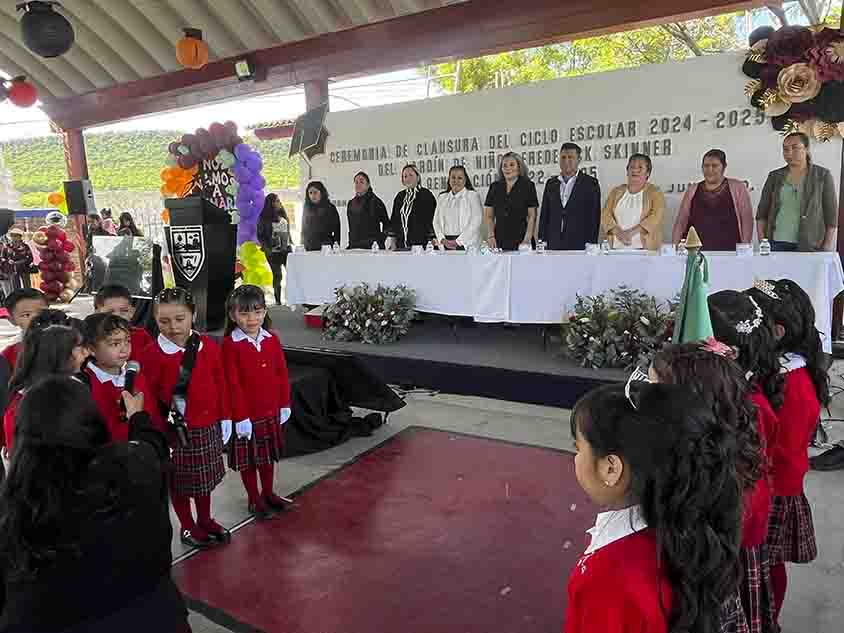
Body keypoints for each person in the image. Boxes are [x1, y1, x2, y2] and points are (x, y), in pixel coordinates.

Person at [0, 376, 192, 632]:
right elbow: (153, 446)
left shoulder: (17, 510)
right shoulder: (134, 468)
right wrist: (138, 417)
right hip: (157, 616)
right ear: (91, 422)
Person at [566, 382, 742, 633]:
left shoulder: (605, 578)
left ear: (611, 468)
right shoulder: (686, 528)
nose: (575, 458)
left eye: (578, 448)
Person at [651, 342, 770, 633]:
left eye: (654, 391)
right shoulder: (717, 451)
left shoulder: (712, 480)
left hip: (701, 595)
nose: (644, 399)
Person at [746, 279, 827, 622]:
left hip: (773, 488)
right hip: (771, 484)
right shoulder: (783, 369)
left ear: (776, 332)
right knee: (766, 563)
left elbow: (774, 447)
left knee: (766, 565)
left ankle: (767, 620)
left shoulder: (790, 381)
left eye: (752, 320)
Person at [709, 289, 783, 633]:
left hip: (738, 519)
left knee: (736, 601)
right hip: (740, 511)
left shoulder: (746, 405)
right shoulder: (742, 392)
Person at [141, 287, 232, 549]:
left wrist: (225, 416)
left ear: (194, 315)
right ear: (155, 319)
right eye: (164, 321)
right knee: (180, 483)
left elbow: (220, 382)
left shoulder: (208, 346)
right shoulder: (151, 355)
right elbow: (149, 398)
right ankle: (188, 525)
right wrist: (159, 433)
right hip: (175, 431)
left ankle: (205, 519)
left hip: (208, 427)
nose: (173, 327)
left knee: (204, 480)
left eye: (180, 318)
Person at [222, 285, 292, 520]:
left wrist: (284, 403)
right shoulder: (230, 345)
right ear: (233, 315)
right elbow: (232, 385)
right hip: (247, 418)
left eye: (258, 311)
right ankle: (254, 498)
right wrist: (240, 417)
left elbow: (281, 373)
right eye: (244, 313)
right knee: (250, 461)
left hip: (270, 412)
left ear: (265, 312)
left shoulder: (272, 339)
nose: (252, 318)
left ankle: (269, 493)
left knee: (267, 457)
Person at [3, 324, 91, 455]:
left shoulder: (74, 385)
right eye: (79, 347)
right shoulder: (26, 401)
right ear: (60, 353)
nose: (86, 353)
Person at [82, 313, 158, 442]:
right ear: (91, 349)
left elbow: (153, 416)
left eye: (127, 341)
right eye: (115, 344)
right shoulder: (85, 384)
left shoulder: (136, 376)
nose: (124, 349)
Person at [756, 132, 837, 252]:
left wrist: (826, 247)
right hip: (776, 243)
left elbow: (831, 216)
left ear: (806, 149)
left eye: (795, 148)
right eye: (785, 149)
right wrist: (762, 242)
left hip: (811, 245)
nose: (789, 153)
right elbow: (762, 213)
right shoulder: (775, 176)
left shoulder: (822, 175)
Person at [671, 149, 754, 249]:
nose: (710, 170)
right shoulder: (692, 190)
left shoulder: (737, 188)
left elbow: (746, 221)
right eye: (706, 166)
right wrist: (674, 248)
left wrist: (745, 248)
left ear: (724, 167)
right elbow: (681, 222)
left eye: (714, 166)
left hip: (730, 251)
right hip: (696, 252)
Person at [537, 143, 601, 251]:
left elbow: (594, 217)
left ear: (578, 160)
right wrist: (542, 242)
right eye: (563, 157)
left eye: (570, 157)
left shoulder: (590, 183)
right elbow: (544, 216)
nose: (566, 161)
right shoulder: (551, 183)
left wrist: (591, 244)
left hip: (580, 246)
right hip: (553, 245)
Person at [601, 154, 665, 251]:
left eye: (640, 167)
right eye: (632, 167)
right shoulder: (616, 191)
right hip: (615, 249)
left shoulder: (655, 192)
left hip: (644, 250)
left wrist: (630, 233)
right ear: (627, 171)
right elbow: (605, 214)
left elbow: (655, 217)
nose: (635, 170)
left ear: (648, 173)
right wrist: (619, 233)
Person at [484, 152, 538, 251]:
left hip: (522, 239)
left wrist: (527, 240)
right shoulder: (494, 187)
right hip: (498, 241)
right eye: (504, 165)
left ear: (519, 167)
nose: (508, 168)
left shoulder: (528, 186)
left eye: (512, 165)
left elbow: (532, 216)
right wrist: (490, 236)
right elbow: (489, 216)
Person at [94, 284, 154, 362]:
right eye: (110, 312)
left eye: (123, 311)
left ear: (132, 312)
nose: (117, 316)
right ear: (97, 313)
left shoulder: (142, 336)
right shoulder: (92, 337)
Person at [386, 164, 437, 250]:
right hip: (401, 245)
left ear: (418, 177)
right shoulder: (400, 196)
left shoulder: (426, 195)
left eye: (411, 175)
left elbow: (432, 219)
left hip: (421, 245)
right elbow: (394, 220)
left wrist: (432, 239)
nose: (408, 178)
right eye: (405, 176)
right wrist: (392, 241)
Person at [433, 165, 483, 250]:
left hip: (466, 242)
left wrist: (458, 242)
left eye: (460, 178)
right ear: (449, 180)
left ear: (465, 180)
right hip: (445, 243)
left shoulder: (473, 195)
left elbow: (476, 221)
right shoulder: (442, 197)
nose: (456, 181)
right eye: (453, 177)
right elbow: (436, 221)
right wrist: (442, 239)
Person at [1, 288, 47, 372]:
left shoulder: (66, 342)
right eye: (27, 315)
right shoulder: (9, 355)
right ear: (12, 320)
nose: (36, 318)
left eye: (42, 312)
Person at [257, 193, 291, 305]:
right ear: (270, 203)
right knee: (277, 276)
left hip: (286, 250)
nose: (279, 203)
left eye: (279, 200)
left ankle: (293, 298)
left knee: (292, 274)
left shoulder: (283, 214)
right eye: (276, 201)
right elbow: (260, 236)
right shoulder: (263, 218)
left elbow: (286, 232)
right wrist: (267, 248)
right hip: (272, 252)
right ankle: (278, 301)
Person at [347, 172, 389, 250]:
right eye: (356, 182)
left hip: (372, 247)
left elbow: (387, 224)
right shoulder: (351, 203)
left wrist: (380, 241)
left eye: (361, 182)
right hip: (354, 246)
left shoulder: (376, 202)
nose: (358, 184)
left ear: (368, 185)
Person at [301, 181, 341, 251]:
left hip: (326, 247)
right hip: (309, 247)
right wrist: (302, 244)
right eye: (310, 193)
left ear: (321, 193)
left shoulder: (330, 207)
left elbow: (337, 229)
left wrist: (336, 246)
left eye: (315, 192)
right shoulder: (307, 208)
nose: (313, 195)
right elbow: (304, 229)